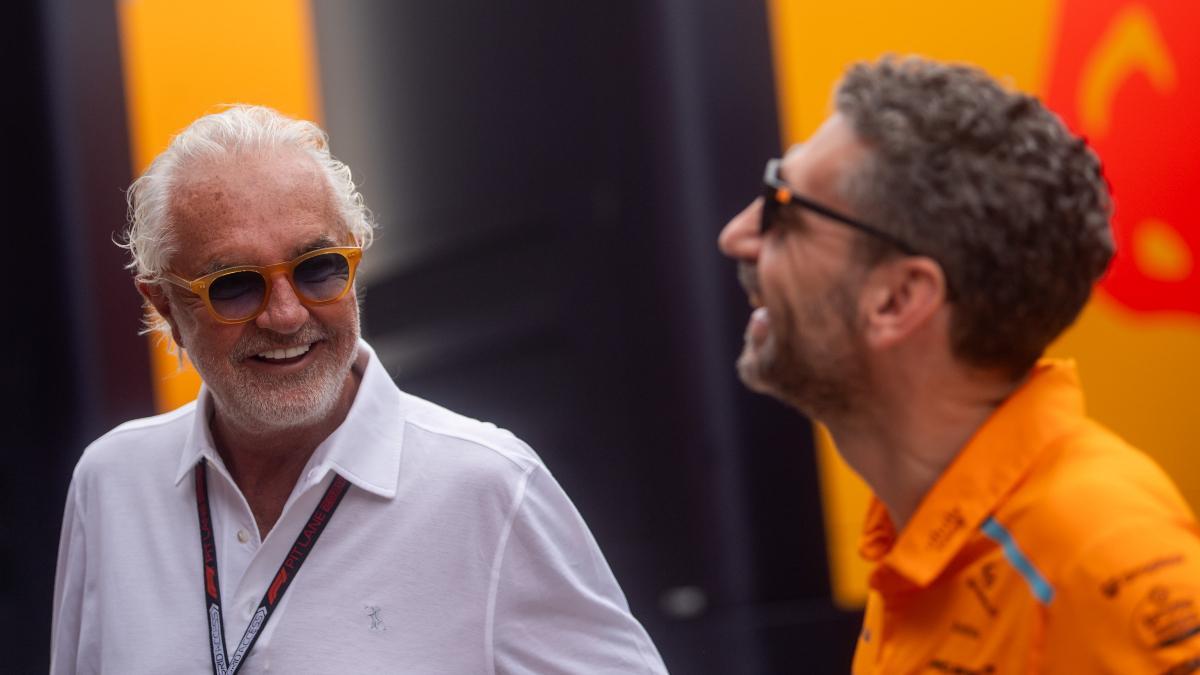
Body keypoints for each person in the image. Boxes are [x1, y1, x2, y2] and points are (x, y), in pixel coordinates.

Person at [51, 105, 667, 674]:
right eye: (234, 285)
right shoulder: (111, 481)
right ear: (164, 304)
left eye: (318, 268)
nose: (286, 315)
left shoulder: (487, 484)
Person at [719, 56, 1200, 673]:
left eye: (782, 207)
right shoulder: (923, 541)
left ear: (897, 300)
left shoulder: (1098, 554)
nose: (737, 236)